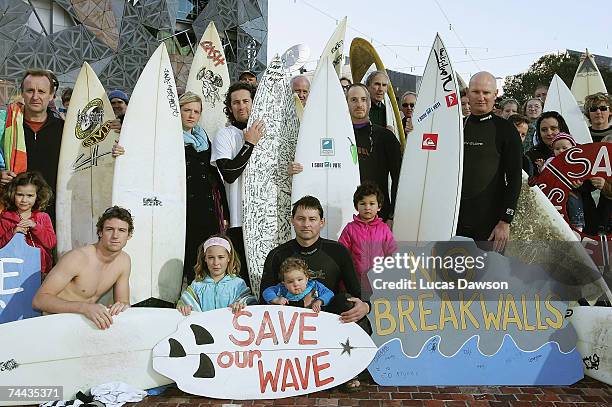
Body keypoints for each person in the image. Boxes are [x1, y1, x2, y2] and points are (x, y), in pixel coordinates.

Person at [259, 195, 370, 392]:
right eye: (301, 219)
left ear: (322, 222)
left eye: (312, 219)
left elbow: (357, 292)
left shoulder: (338, 251)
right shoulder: (278, 254)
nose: (306, 224)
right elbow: (263, 297)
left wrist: (365, 306)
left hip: (328, 322)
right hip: (290, 326)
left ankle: (349, 369)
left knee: (347, 301)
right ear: (293, 220)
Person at [32, 206, 133, 330]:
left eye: (122, 230)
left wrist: (121, 306)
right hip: (54, 323)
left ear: (129, 235)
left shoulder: (124, 261)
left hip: (84, 325)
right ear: (100, 232)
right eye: (109, 229)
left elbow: (123, 301)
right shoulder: (78, 258)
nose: (115, 236)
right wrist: (84, 307)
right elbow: (39, 300)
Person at [457, 72, 522, 252]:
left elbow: (515, 178)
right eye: (475, 92)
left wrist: (505, 221)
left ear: (495, 94)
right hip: (455, 219)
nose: (481, 97)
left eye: (486, 92)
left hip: (489, 222)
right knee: (451, 276)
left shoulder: (506, 129)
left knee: (487, 277)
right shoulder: (456, 126)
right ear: (467, 94)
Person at [211, 82, 264, 285]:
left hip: (265, 218)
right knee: (243, 279)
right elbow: (229, 174)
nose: (241, 106)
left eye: (245, 101)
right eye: (235, 102)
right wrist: (249, 143)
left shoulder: (266, 132)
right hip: (239, 220)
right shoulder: (225, 135)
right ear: (230, 107)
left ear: (254, 102)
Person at [179, 92, 229, 284]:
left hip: (207, 208)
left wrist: (225, 210)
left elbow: (214, 175)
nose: (191, 115)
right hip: (184, 208)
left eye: (196, 111)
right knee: (189, 257)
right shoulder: (168, 137)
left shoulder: (203, 139)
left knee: (207, 257)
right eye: (186, 110)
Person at [346, 83, 401, 223]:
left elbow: (398, 179)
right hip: (344, 214)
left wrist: (392, 215)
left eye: (363, 99)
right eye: (353, 100)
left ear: (370, 103)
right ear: (346, 103)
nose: (359, 104)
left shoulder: (386, 137)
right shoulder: (337, 137)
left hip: (378, 216)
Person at [338, 183, 396, 299]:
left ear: (379, 206)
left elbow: (392, 253)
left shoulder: (384, 229)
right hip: (355, 283)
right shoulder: (350, 229)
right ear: (356, 206)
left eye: (372, 203)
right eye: (363, 204)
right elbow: (341, 254)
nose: (367, 207)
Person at [177, 235, 256, 315]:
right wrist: (184, 307)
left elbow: (249, 302)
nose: (216, 263)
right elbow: (183, 303)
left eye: (221, 257)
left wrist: (241, 304)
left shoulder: (238, 284)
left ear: (229, 258)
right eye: (211, 257)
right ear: (205, 258)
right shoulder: (197, 285)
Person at [0, 171, 56, 273]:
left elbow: (51, 243)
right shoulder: (5, 218)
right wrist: (13, 232)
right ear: (12, 194)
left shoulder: (43, 217)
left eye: (30, 195)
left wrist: (36, 227)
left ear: (37, 196)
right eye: (20, 195)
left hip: (40, 271)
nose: (24, 200)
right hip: (14, 271)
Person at [262, 257, 334, 313]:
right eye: (290, 282)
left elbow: (329, 293)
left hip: (313, 320)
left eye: (300, 280)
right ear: (284, 283)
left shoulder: (314, 286)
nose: (296, 284)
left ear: (307, 278)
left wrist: (320, 301)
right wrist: (276, 299)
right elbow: (267, 291)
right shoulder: (281, 288)